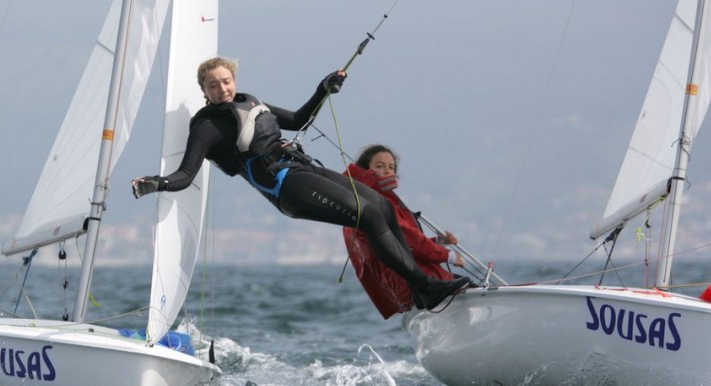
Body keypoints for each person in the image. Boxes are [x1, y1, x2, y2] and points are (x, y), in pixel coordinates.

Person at [130, 57, 470, 310]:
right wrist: (156, 183)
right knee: (367, 216)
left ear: (234, 79)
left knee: (381, 206)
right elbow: (185, 175)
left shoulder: (250, 101)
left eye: (226, 81)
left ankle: (423, 289)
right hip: (286, 188)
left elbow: (297, 120)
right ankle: (424, 285)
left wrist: (323, 90)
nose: (222, 89)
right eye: (213, 85)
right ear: (203, 90)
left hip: (300, 167)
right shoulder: (207, 126)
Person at [343, 144, 464, 318]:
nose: (386, 171)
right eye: (379, 166)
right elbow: (408, 239)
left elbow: (399, 243)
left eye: (391, 167)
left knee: (467, 285)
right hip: (414, 285)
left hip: (405, 289)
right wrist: (448, 256)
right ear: (365, 169)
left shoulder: (358, 201)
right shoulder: (375, 202)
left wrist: (438, 242)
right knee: (470, 286)